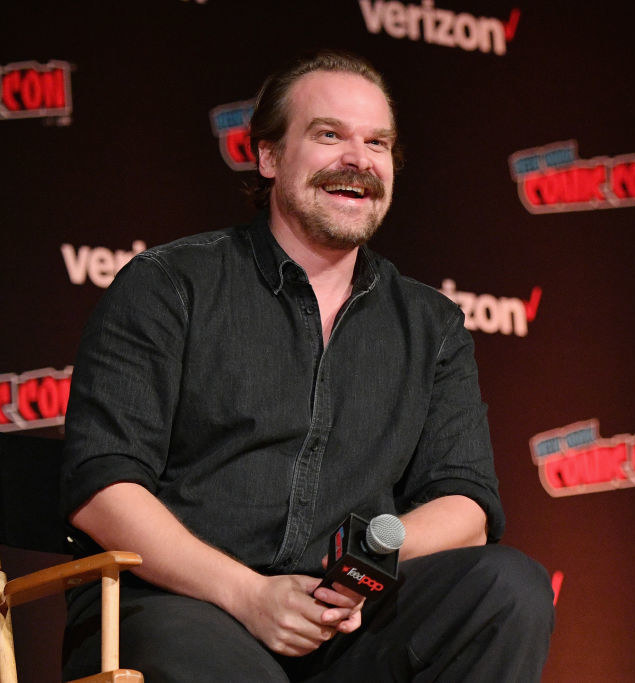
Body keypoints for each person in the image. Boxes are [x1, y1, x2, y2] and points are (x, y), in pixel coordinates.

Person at [60, 49, 554, 681]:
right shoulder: (170, 284)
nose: (359, 160)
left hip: (341, 623)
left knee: (506, 588)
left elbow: (465, 504)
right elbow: (103, 485)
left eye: (378, 142)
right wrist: (248, 595)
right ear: (267, 156)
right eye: (329, 135)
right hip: (178, 605)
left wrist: (358, 572)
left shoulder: (431, 325)